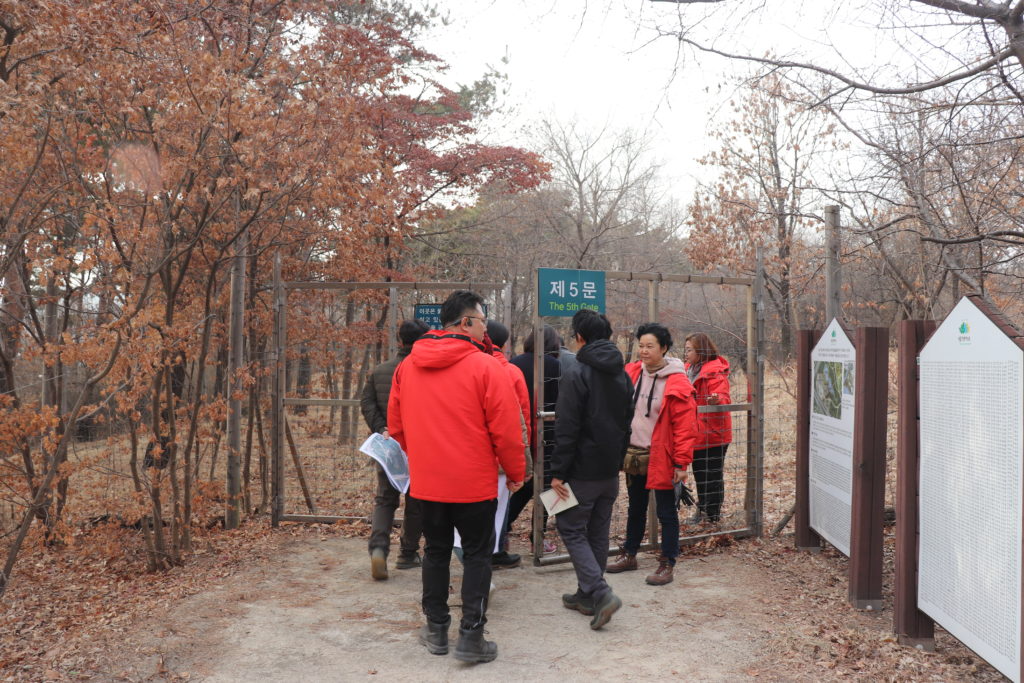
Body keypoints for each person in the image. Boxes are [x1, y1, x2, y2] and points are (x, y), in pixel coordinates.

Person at [388, 290, 526, 664]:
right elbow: (507, 432)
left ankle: (436, 629)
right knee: (478, 556)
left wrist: (422, 459)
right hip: (474, 484)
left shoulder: (408, 366)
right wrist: (516, 473)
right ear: (466, 322)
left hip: (427, 483)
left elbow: (396, 428)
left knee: (435, 552)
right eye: (482, 321)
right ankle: (471, 637)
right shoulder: (487, 368)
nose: (485, 329)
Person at [550, 309, 633, 630]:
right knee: (597, 531)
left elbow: (567, 428)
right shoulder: (622, 374)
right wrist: (618, 461)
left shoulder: (578, 372)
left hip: (580, 471)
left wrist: (558, 472)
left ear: (579, 337)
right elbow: (627, 423)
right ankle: (586, 595)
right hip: (609, 471)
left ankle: (600, 592)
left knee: (570, 527)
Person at [608, 322, 698, 586]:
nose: (644, 351)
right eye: (641, 346)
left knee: (666, 513)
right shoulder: (633, 372)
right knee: (635, 508)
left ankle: (667, 562)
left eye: (650, 346)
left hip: (663, 456)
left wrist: (681, 463)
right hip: (634, 454)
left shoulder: (677, 382)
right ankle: (630, 553)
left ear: (664, 348)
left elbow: (685, 427)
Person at [359, 319, 429, 580]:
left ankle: (379, 548)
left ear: (400, 340)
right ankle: (408, 553)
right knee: (416, 500)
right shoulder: (425, 372)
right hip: (418, 445)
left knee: (385, 498)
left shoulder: (380, 370)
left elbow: (366, 403)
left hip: (388, 445)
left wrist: (382, 428)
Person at [506, 324, 561, 554]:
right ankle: (538, 537)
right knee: (549, 486)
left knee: (526, 484)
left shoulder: (514, 363)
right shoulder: (554, 365)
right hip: (548, 433)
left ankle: (502, 527)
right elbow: (558, 401)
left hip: (521, 431)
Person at [683, 332, 733, 524]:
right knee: (699, 473)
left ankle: (712, 515)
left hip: (713, 433)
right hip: (695, 431)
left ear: (701, 351)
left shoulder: (714, 371)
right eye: (686, 349)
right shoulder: (687, 369)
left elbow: (723, 396)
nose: (686, 353)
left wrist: (716, 399)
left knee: (712, 476)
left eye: (690, 350)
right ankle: (703, 511)